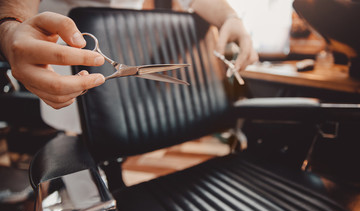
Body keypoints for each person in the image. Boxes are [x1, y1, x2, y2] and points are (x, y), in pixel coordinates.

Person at [0, 0, 258, 110]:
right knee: (74, 145)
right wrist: (11, 28)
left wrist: (230, 17)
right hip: (58, 56)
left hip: (126, 59)